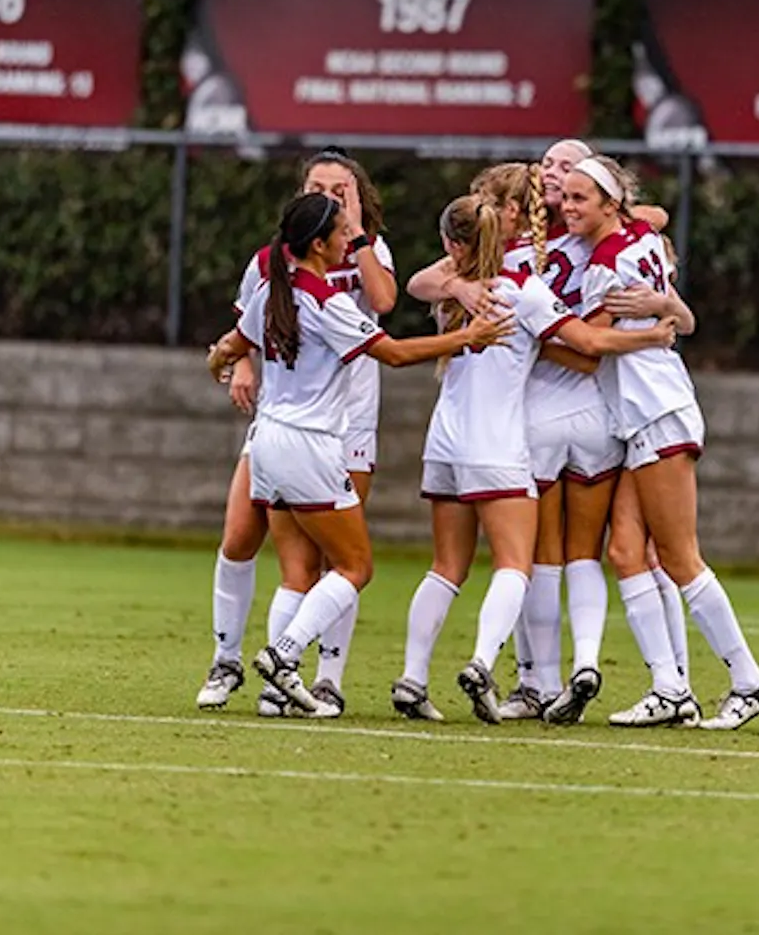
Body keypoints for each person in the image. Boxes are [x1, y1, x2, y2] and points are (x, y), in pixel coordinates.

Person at [206, 193, 513, 716]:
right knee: (355, 566)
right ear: (318, 244)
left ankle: (276, 689)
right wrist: (468, 337)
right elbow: (392, 354)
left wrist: (217, 359)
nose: (352, 238)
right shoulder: (327, 303)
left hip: (266, 443)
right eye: (344, 232)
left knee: (296, 569)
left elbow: (233, 343)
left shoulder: (272, 289)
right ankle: (282, 658)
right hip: (310, 446)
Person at [406, 142, 673, 726]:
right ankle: (609, 670)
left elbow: (421, 281)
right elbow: (591, 341)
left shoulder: (501, 257)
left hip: (525, 418)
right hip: (594, 411)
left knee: (534, 558)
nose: (558, 180)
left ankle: (537, 681)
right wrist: (657, 330)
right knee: (594, 555)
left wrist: (459, 290)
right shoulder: (592, 233)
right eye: (550, 170)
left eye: (568, 171)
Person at [565, 155, 759, 729]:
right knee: (626, 552)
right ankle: (669, 687)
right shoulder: (643, 238)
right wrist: (666, 312)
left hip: (657, 412)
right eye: (565, 197)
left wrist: (536, 326)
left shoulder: (607, 263)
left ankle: (749, 680)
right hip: (641, 419)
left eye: (580, 197)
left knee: (681, 558)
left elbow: (587, 346)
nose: (568, 206)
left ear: (610, 203)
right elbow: (683, 322)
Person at [197, 148, 396, 717]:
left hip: (350, 418)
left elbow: (384, 303)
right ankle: (229, 660)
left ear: (359, 197)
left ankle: (326, 676)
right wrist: (239, 364)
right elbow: (245, 328)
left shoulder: (368, 250)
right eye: (319, 186)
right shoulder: (273, 262)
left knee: (338, 558)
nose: (331, 194)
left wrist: (356, 236)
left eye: (342, 188)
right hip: (285, 422)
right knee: (241, 538)